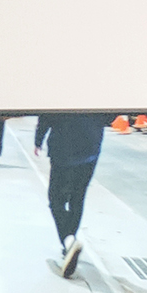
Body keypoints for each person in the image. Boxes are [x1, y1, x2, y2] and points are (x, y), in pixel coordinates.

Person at [33, 113, 112, 278]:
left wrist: (39, 139)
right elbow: (110, 114)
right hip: (91, 145)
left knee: (56, 199)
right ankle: (69, 243)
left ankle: (69, 241)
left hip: (63, 145)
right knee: (78, 196)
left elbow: (46, 114)